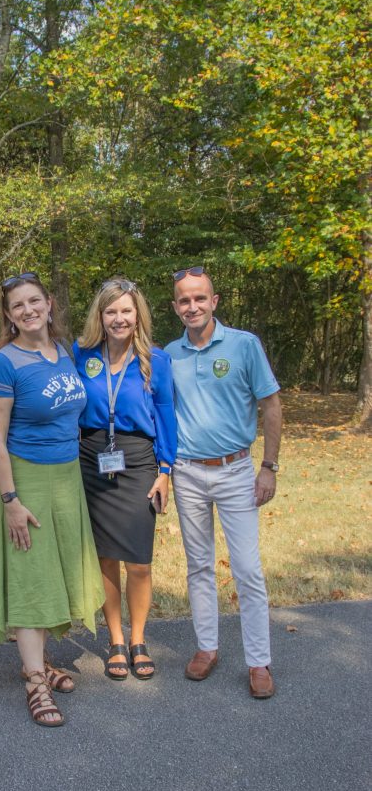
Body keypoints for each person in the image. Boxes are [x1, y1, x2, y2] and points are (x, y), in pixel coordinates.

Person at [0, 272, 104, 728]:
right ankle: (35, 680)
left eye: (34, 301)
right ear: (9, 317)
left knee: (56, 569)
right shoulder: (3, 363)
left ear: (49, 303)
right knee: (31, 574)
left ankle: (41, 661)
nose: (28, 310)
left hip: (66, 477)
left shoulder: (65, 353)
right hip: (25, 480)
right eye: (18, 306)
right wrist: (11, 498)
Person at [165, 266, 282, 699]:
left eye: (200, 298)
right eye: (184, 300)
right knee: (198, 565)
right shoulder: (168, 354)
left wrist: (268, 465)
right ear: (175, 307)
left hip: (235, 471)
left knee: (247, 569)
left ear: (214, 301)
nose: (192, 306)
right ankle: (207, 647)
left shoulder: (243, 345)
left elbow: (270, 404)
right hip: (187, 472)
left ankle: (259, 661)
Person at [73, 278, 177, 681]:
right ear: (100, 316)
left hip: (137, 461)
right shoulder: (82, 355)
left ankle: (138, 638)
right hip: (91, 459)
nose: (119, 318)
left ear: (138, 316)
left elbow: (167, 417)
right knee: (105, 558)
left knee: (138, 562)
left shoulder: (156, 359)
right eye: (111, 311)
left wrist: (165, 471)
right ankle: (116, 639)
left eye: (126, 311)